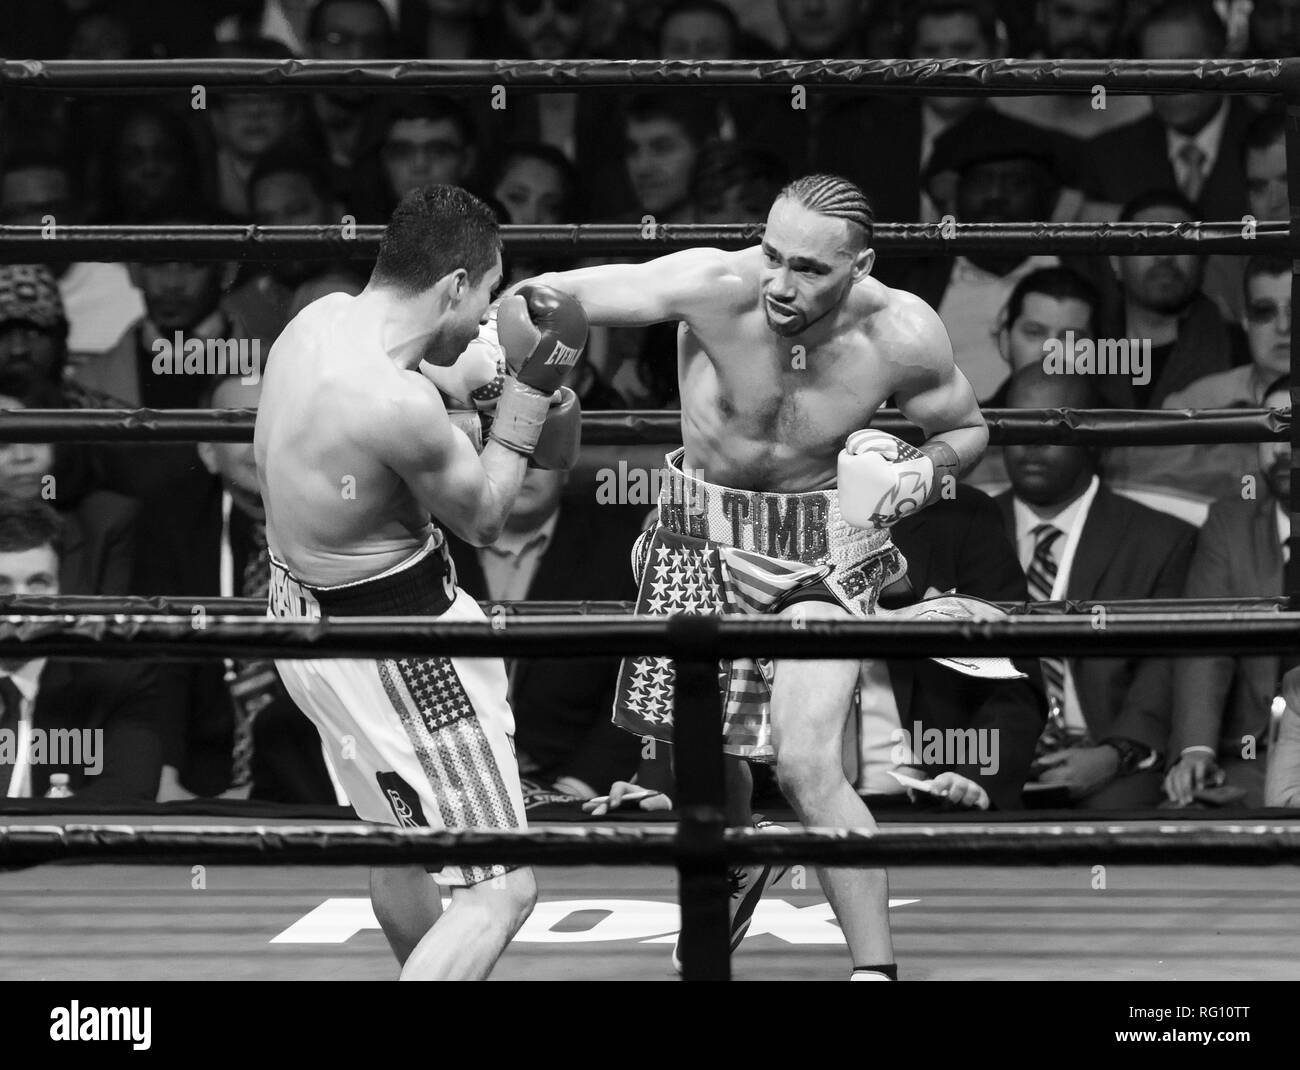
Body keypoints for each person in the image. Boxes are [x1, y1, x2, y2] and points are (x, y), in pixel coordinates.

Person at [525, 173, 990, 980]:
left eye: (810, 269)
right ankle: (740, 863)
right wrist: (525, 376)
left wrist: (921, 472)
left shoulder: (903, 332)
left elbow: (966, 427)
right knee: (704, 764)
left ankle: (874, 974)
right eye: (772, 255)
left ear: (861, 265)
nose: (780, 283)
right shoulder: (712, 286)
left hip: (824, 545)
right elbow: (546, 294)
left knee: (809, 764)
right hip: (697, 535)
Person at [255, 184, 587, 980]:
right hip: (403, 648)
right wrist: (529, 399)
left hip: (301, 625)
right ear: (452, 286)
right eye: (485, 293)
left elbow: (423, 396)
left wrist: (481, 392)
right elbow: (486, 518)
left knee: (400, 844)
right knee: (501, 889)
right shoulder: (397, 404)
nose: (484, 318)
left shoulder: (319, 322)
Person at [996, 366, 1196, 808]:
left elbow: (1163, 670)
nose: (1032, 444)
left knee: (1116, 818)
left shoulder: (1161, 540)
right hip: (988, 753)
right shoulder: (964, 529)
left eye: (1052, 428)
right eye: (1017, 425)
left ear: (1095, 437)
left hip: (1108, 758)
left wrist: (1115, 753)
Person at [1164, 376, 1292, 810]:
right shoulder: (1229, 521)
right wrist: (1196, 751)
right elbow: (1206, 643)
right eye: (1270, 430)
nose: (1282, 448)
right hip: (1252, 758)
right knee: (1179, 825)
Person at [0, 497, 163, 804]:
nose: (19, 608)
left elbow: (127, 796)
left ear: (61, 588)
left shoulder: (115, 682)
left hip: (61, 852)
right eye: (2, 585)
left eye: (38, 584)